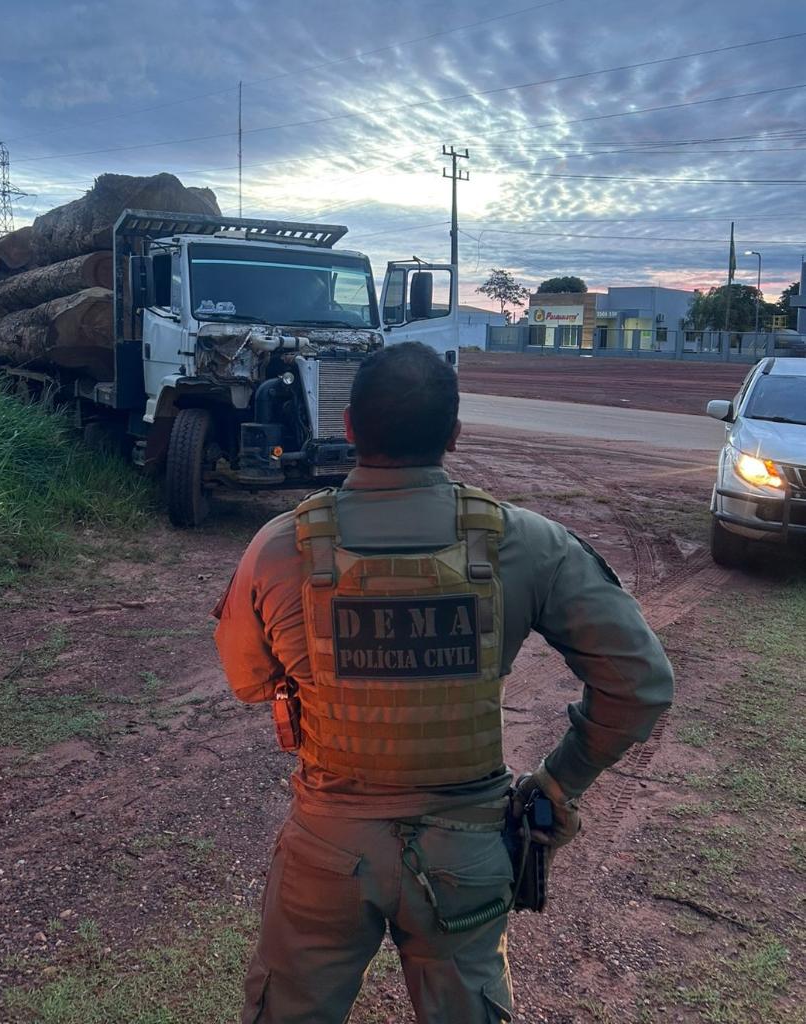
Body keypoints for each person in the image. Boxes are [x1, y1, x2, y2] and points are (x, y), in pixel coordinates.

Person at [214, 341, 674, 1024]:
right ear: (455, 434)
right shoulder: (526, 543)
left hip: (327, 851)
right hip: (468, 853)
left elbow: (249, 681)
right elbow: (639, 683)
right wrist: (558, 781)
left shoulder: (280, 547)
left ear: (347, 426)